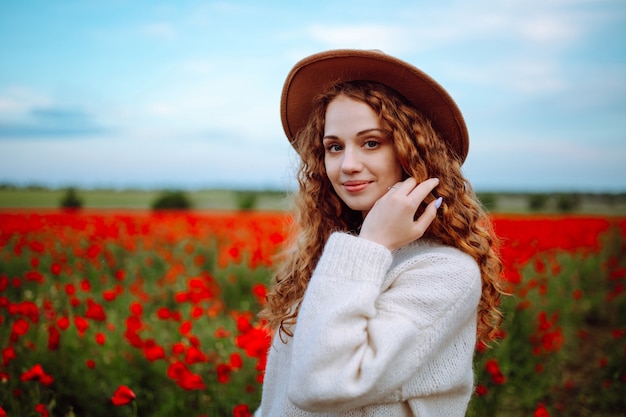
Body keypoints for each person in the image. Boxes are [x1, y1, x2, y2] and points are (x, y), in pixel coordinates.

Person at [256, 49, 505, 416]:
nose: (348, 165)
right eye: (334, 147)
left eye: (371, 142)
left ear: (413, 152)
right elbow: (278, 398)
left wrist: (372, 244)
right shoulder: (338, 253)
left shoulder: (444, 271)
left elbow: (322, 385)